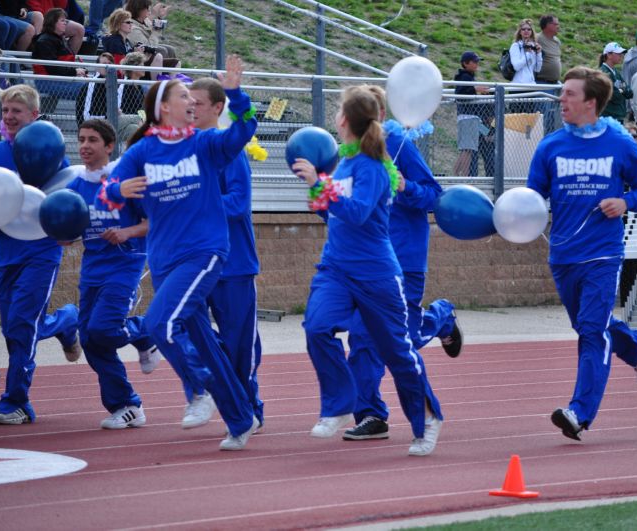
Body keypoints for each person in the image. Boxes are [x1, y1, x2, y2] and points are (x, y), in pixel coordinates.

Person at [99, 55, 259, 451]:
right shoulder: (143, 152)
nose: (191, 101)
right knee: (200, 336)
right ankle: (240, 418)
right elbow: (107, 191)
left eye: (194, 96)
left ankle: (202, 389)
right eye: (183, 95)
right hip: (164, 258)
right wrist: (119, 191)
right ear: (163, 107)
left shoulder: (204, 143)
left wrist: (236, 94)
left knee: (160, 325)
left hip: (204, 251)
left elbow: (246, 128)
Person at [291, 85, 444, 456]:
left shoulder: (374, 166)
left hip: (377, 273)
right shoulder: (344, 161)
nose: (335, 117)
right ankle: (339, 406)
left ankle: (427, 418)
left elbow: (357, 212)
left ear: (346, 120)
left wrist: (319, 183)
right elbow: (330, 211)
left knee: (397, 353)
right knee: (316, 327)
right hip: (336, 268)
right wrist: (318, 192)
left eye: (339, 111)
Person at [526, 66, 637, 441]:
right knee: (588, 326)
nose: (561, 99)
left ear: (591, 102)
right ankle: (634, 345)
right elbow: (534, 198)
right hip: (563, 255)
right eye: (561, 92)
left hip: (603, 254)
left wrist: (625, 201)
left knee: (590, 333)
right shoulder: (550, 146)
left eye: (569, 93)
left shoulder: (618, 145)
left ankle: (579, 413)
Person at [342, 85, 461, 441]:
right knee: (362, 338)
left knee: (401, 339)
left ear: (379, 116)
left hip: (404, 259)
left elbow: (434, 196)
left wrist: (407, 187)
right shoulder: (348, 155)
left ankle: (441, 317)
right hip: (365, 263)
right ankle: (371, 414)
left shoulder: (400, 146)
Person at [0, 84, 80, 425]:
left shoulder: (53, 152)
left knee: (21, 325)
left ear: (33, 114)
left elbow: (67, 199)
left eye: (17, 111)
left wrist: (68, 230)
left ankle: (17, 400)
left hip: (43, 251)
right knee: (13, 327)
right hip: (7, 253)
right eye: (5, 111)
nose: (10, 117)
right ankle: (67, 321)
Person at [65, 119, 160, 429]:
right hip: (92, 268)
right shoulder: (75, 187)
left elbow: (155, 221)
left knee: (104, 330)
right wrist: (61, 233)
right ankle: (127, 405)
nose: (85, 146)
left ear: (109, 146)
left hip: (125, 264)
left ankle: (146, 332)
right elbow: (65, 232)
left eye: (93, 140)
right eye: (81, 139)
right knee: (91, 340)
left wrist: (127, 232)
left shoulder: (124, 180)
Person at [188, 76, 264, 430]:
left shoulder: (227, 151)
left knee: (238, 344)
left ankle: (247, 405)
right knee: (185, 328)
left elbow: (239, 203)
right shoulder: (181, 149)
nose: (191, 109)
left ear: (218, 109)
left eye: (198, 104)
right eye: (187, 103)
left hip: (233, 264)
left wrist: (198, 203)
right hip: (194, 262)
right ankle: (205, 391)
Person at [31, 7, 86, 99]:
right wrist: (75, 71)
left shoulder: (59, 39)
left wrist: (80, 70)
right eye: (62, 20)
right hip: (47, 82)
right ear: (53, 22)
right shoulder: (44, 41)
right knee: (88, 89)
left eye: (66, 21)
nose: (65, 23)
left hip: (60, 80)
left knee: (93, 87)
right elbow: (52, 68)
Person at [453, 50, 488, 176]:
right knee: (467, 150)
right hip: (468, 118)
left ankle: (461, 176)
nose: (477, 63)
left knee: (468, 150)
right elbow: (460, 94)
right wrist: (475, 89)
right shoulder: (465, 77)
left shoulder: (468, 76)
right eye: (474, 61)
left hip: (471, 118)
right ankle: (461, 176)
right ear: (465, 63)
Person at [100, 8, 162, 79]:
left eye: (131, 22)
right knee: (158, 57)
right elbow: (119, 65)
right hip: (119, 80)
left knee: (159, 57)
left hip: (127, 76)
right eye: (128, 22)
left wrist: (137, 53)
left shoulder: (126, 41)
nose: (131, 24)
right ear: (118, 24)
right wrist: (136, 55)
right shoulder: (114, 41)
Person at [123, 0, 178, 69]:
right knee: (162, 50)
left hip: (148, 53)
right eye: (147, 8)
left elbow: (152, 23)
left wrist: (159, 17)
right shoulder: (132, 28)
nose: (149, 9)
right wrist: (156, 31)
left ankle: (172, 74)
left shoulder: (144, 20)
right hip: (141, 57)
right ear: (139, 9)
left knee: (170, 49)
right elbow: (148, 47)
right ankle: (159, 75)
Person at [535, 14, 561, 132]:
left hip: (555, 84)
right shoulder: (537, 38)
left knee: (553, 117)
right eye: (555, 24)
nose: (558, 26)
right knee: (542, 116)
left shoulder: (557, 41)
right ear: (547, 25)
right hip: (542, 83)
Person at [599, 42, 632, 123]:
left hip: (617, 116)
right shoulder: (603, 72)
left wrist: (621, 91)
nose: (621, 56)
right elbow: (614, 96)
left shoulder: (616, 73)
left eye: (621, 54)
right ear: (609, 55)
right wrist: (622, 90)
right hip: (608, 117)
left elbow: (629, 93)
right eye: (618, 53)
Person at [510, 19, 542, 85]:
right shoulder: (515, 46)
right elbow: (516, 66)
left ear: (532, 32)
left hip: (531, 85)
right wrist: (528, 53)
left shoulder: (533, 45)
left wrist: (539, 53)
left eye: (529, 29)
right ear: (520, 32)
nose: (526, 31)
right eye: (523, 29)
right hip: (518, 85)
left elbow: (537, 69)